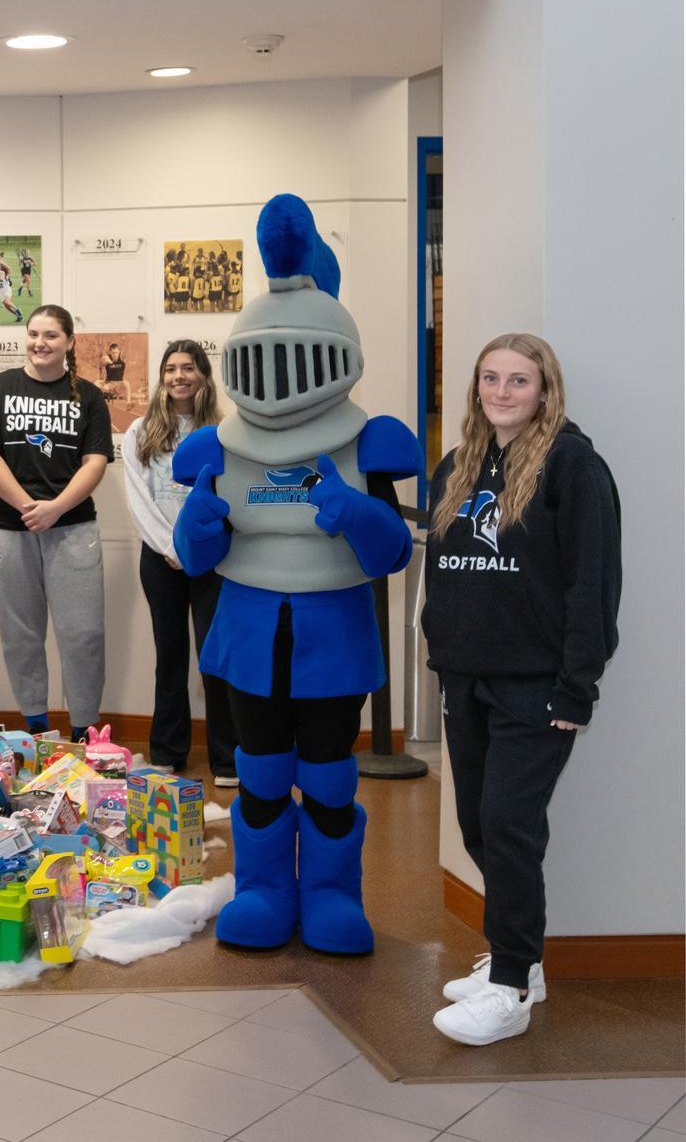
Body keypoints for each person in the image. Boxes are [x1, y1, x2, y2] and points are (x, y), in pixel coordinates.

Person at [171, 195, 418, 956]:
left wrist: (356, 512)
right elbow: (192, 556)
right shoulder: (217, 446)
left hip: (332, 630)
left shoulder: (368, 443)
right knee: (261, 767)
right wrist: (202, 524)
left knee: (332, 772)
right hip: (250, 630)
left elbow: (392, 553)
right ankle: (265, 889)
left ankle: (334, 893)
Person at [423, 334, 619, 1046]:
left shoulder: (573, 465)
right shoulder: (459, 464)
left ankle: (509, 989)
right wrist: (440, 647)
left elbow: (592, 584)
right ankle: (522, 960)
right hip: (466, 677)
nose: (503, 392)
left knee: (508, 825)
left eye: (519, 381)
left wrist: (576, 690)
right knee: (480, 825)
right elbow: (443, 570)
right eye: (490, 379)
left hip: (535, 686)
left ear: (545, 391)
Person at [0, 304, 113, 733]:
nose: (40, 343)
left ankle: (85, 732)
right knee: (21, 634)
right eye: (33, 333)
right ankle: (36, 729)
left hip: (71, 526)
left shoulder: (88, 396)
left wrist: (55, 508)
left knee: (83, 635)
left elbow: (96, 462)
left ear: (69, 341)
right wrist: (28, 507)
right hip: (5, 526)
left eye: (50, 335)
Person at [122, 341, 236, 784]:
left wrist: (197, 550)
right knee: (170, 656)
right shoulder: (141, 431)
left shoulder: (225, 431)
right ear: (162, 378)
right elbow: (138, 498)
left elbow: (228, 500)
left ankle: (227, 759)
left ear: (204, 376)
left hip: (212, 561)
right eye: (171, 369)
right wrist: (173, 548)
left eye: (189, 368)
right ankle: (168, 751)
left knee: (215, 655)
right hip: (160, 560)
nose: (179, 376)